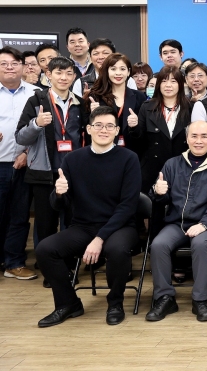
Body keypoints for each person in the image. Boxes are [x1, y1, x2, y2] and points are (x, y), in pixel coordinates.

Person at [35, 106, 140, 327]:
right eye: (98, 125)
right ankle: (68, 303)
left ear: (117, 131)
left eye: (110, 126)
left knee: (117, 249)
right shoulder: (73, 159)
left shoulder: (129, 158)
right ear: (89, 129)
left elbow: (128, 206)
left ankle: (115, 303)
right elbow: (59, 205)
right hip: (83, 226)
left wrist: (100, 238)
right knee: (45, 249)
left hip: (120, 226)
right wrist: (59, 193)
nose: (104, 130)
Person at [145, 120, 207, 323]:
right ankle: (165, 298)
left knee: (201, 244)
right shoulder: (172, 164)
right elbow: (161, 199)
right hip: (177, 223)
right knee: (158, 245)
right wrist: (158, 192)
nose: (198, 141)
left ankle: (200, 300)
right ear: (186, 139)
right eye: (194, 136)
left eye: (204, 136)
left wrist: (203, 224)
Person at [15, 57, 85, 252]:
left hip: (73, 174)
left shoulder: (80, 103)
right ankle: (47, 264)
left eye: (69, 73)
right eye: (58, 73)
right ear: (48, 75)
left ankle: (69, 263)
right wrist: (36, 124)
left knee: (71, 222)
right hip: (44, 173)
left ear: (74, 76)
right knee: (46, 224)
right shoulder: (36, 100)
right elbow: (20, 137)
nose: (64, 77)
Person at [125, 66, 191, 232]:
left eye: (173, 81)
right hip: (153, 168)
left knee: (182, 210)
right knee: (155, 215)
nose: (168, 85)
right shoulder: (147, 107)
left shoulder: (190, 107)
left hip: (183, 167)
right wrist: (134, 127)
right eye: (164, 81)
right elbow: (138, 142)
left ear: (181, 84)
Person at [0, 46, 40, 280]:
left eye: (15, 63)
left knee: (20, 215)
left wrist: (26, 152)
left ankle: (14, 262)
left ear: (23, 67)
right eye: (4, 63)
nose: (9, 67)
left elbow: (43, 129)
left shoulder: (36, 93)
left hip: (25, 163)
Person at [85, 53, 147, 153]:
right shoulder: (96, 96)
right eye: (113, 69)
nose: (118, 73)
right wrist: (93, 115)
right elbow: (86, 130)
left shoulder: (139, 97)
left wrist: (135, 125)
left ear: (128, 72)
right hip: (103, 152)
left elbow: (144, 132)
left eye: (122, 69)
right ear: (107, 71)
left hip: (131, 152)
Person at [73, 39, 138, 97]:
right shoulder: (80, 83)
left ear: (114, 56)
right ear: (90, 57)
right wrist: (85, 101)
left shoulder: (127, 80)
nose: (101, 57)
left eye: (105, 53)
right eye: (96, 54)